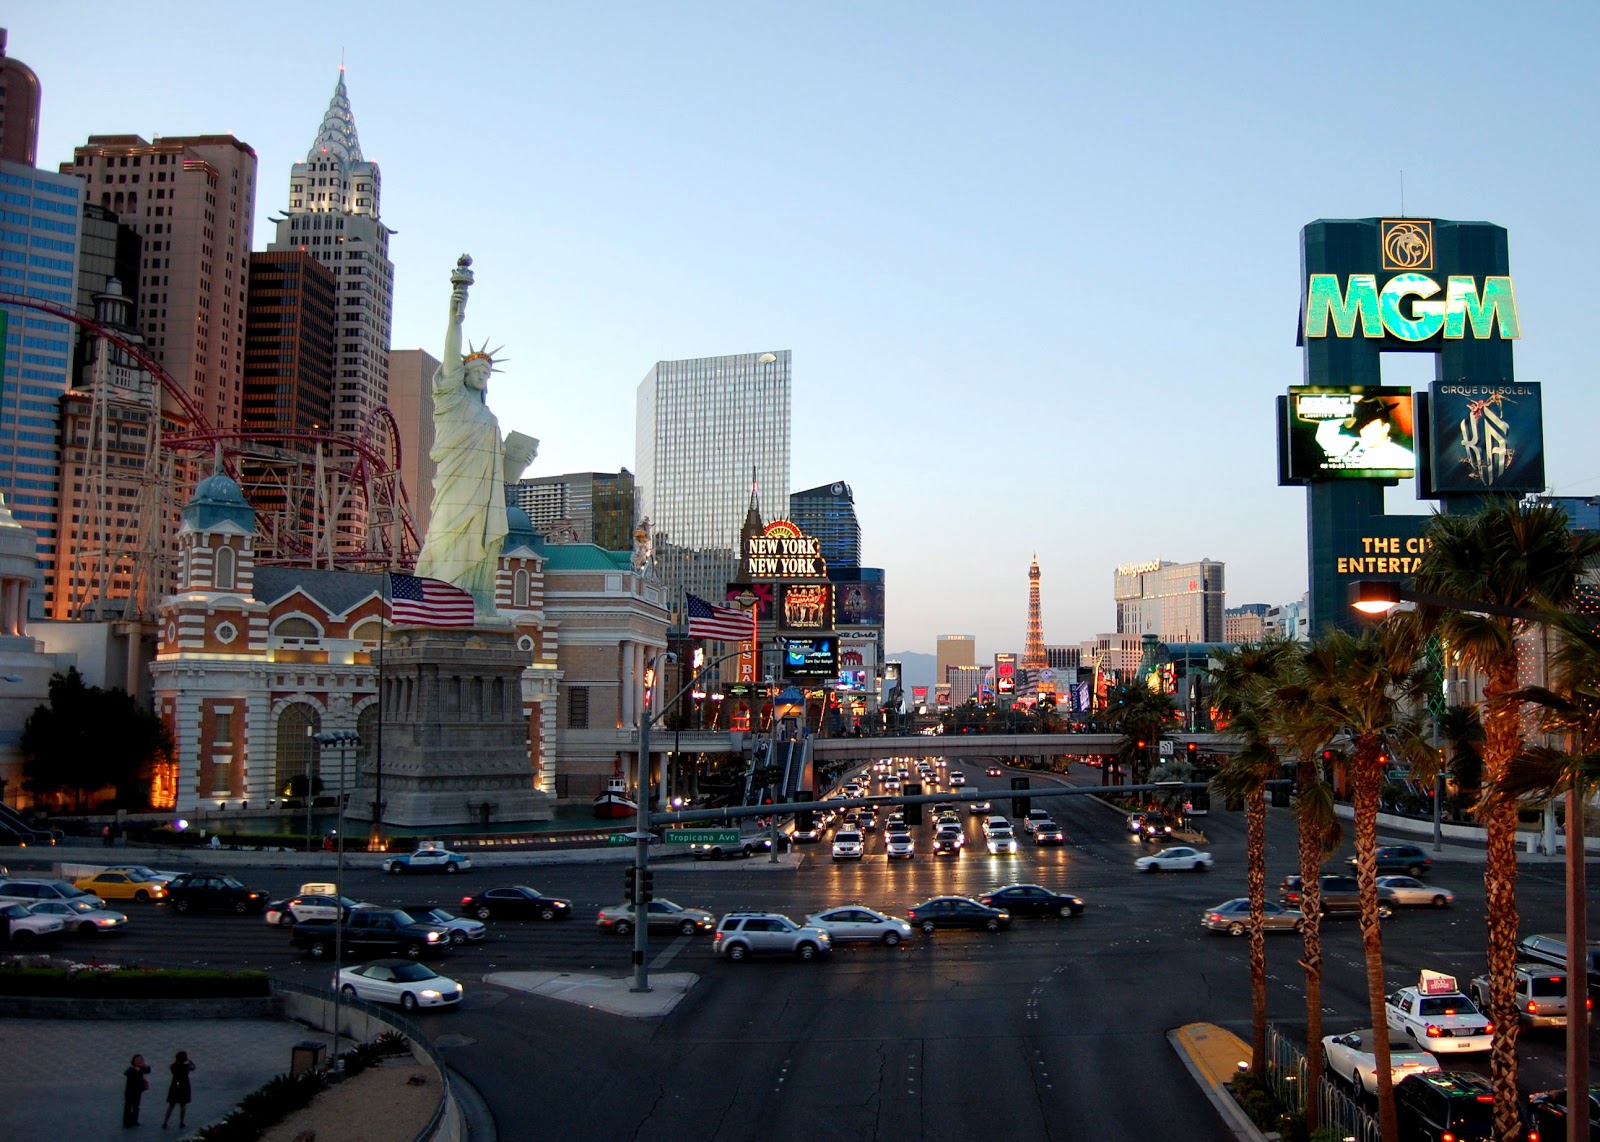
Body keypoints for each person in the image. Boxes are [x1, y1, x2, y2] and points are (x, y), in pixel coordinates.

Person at [412, 255, 533, 617]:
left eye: (487, 372)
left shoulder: (487, 415)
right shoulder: (450, 401)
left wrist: (517, 460)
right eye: (477, 369)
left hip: (485, 494)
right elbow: (451, 352)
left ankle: (478, 601)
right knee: (447, 537)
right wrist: (457, 309)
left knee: (482, 545)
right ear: (462, 374)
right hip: (456, 487)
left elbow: (502, 469)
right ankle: (444, 599)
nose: (482, 375)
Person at [161, 1051, 195, 1129]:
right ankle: (182, 1122)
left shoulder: (174, 1066)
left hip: (175, 1085)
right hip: (184, 1086)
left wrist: (177, 1061)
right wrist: (190, 1061)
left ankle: (165, 1122)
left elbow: (170, 1066)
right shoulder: (186, 1067)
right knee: (183, 1105)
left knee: (171, 1105)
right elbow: (193, 1067)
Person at [123, 1054, 151, 1127]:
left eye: (140, 1060)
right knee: (128, 1106)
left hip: (138, 1091)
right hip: (129, 1091)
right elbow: (126, 1073)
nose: (139, 1061)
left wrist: (146, 1066)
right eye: (137, 1060)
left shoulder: (141, 1068)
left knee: (136, 1106)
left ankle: (134, 1121)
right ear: (134, 1061)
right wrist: (134, 1069)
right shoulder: (131, 1068)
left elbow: (148, 1070)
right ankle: (126, 1122)